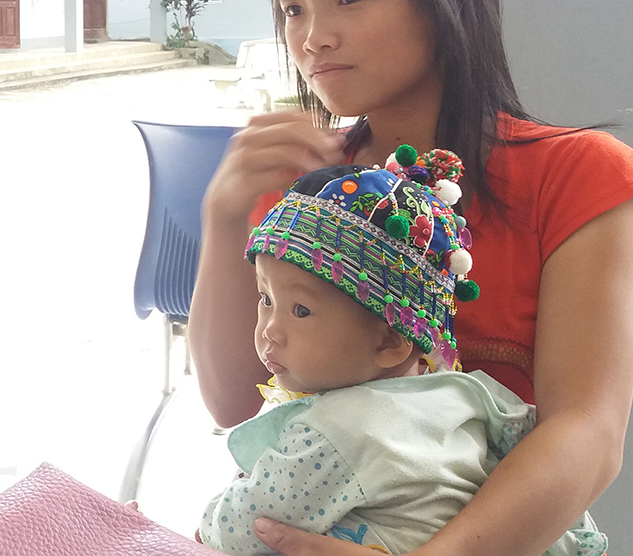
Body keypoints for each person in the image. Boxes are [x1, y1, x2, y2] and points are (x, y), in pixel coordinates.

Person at [187, 0, 633, 556]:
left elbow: (588, 433)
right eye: (294, 7)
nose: (312, 36)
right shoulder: (303, 187)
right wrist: (222, 217)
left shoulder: (580, 180)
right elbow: (237, 403)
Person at [198, 152, 605, 555]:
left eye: (300, 310)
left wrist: (209, 521)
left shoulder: (334, 432)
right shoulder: (462, 394)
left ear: (390, 343)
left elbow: (241, 530)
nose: (270, 329)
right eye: (265, 298)